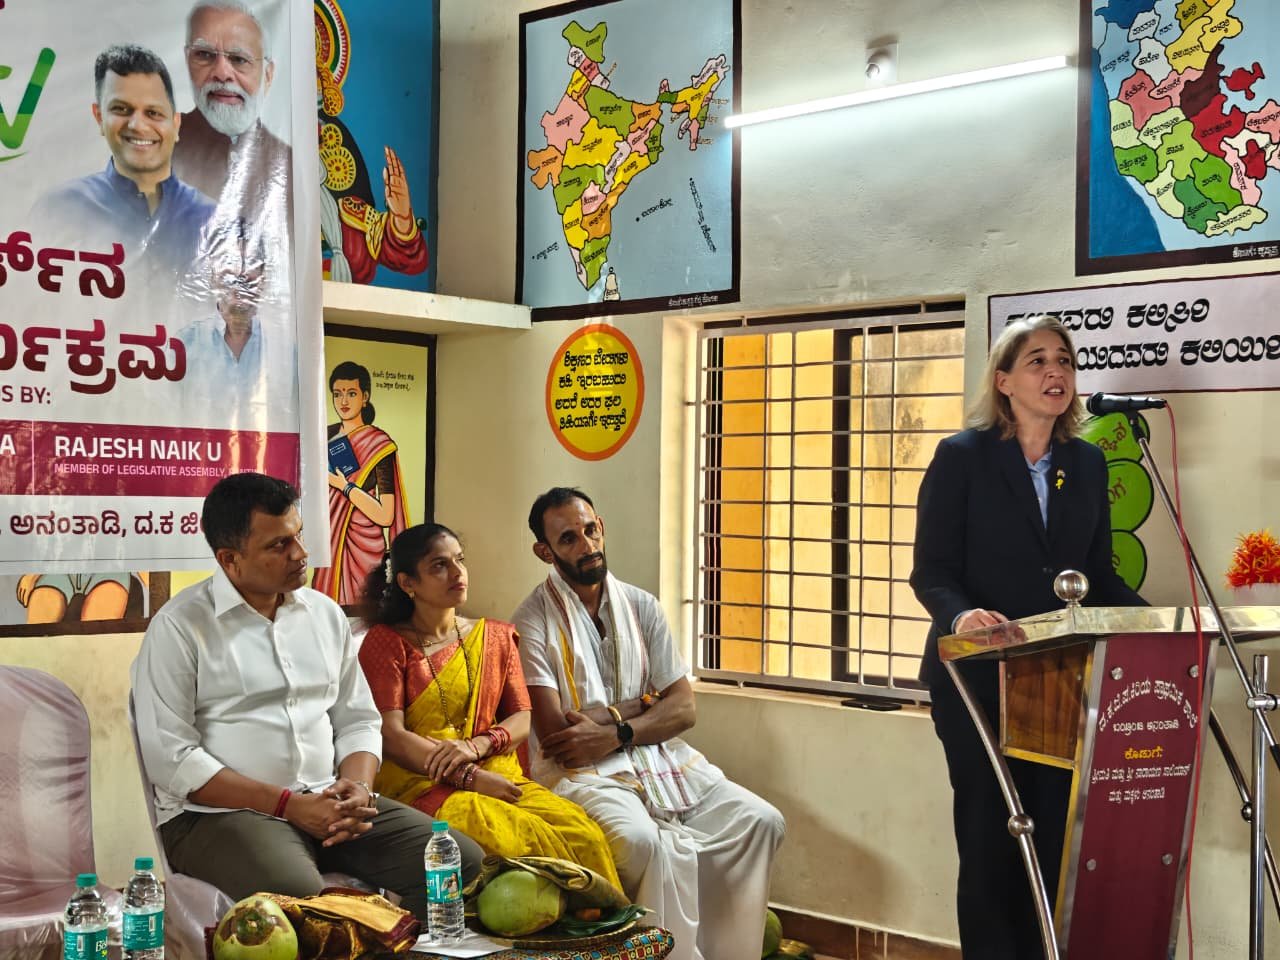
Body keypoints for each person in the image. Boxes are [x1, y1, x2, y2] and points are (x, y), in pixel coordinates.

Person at [131, 473, 482, 917]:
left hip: (326, 799)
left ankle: (399, 945)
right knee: (300, 898)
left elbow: (358, 719)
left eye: (298, 535)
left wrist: (357, 788)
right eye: (279, 545)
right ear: (230, 559)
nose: (300, 553)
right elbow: (174, 760)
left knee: (454, 861)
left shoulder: (323, 615)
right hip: (218, 816)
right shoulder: (180, 627)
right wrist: (289, 806)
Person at [910, 315, 1145, 958]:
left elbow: (1097, 576)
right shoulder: (963, 457)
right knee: (991, 836)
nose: (1055, 371)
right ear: (1004, 381)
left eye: (1064, 360)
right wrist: (963, 617)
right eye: (1037, 360)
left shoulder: (1086, 463)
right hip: (977, 679)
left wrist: (1164, 624)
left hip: (1058, 680)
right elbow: (932, 572)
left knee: (1051, 839)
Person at [512, 488, 785, 960]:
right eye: (569, 538)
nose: (587, 545)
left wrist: (616, 726)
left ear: (602, 526)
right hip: (582, 773)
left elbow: (684, 710)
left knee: (762, 821)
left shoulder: (642, 606)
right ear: (545, 551)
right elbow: (561, 736)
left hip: (656, 755)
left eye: (591, 530)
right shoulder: (532, 620)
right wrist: (646, 702)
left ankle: (728, 952)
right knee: (642, 842)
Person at [357, 523, 621, 888]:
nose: (457, 572)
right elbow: (391, 735)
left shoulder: (494, 636)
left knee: (583, 834)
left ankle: (604, 923)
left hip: (496, 770)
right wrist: (468, 777)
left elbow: (522, 718)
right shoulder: (386, 643)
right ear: (408, 583)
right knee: (514, 839)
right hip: (421, 783)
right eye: (439, 565)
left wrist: (478, 746)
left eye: (460, 560)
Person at [33, 44, 213, 284]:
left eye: (153, 113)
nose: (137, 125)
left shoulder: (213, 220)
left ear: (176, 123)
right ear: (99, 117)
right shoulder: (59, 210)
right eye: (121, 109)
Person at [171, 0, 291, 272]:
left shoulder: (289, 167)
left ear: (268, 75)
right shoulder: (155, 147)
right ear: (187, 61)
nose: (222, 73)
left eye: (239, 59)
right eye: (204, 55)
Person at [177, 219, 297, 426]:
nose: (239, 274)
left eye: (249, 264)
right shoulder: (183, 346)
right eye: (229, 263)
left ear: (263, 279)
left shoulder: (287, 355)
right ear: (213, 275)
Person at [312, 361, 408, 605]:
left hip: (364, 545)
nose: (343, 401)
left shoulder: (379, 445)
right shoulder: (323, 436)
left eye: (351, 393)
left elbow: (386, 516)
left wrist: (344, 486)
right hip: (329, 538)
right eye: (337, 394)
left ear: (365, 397)